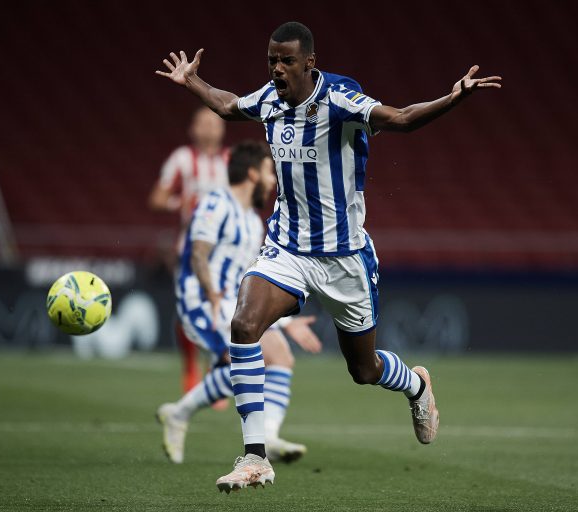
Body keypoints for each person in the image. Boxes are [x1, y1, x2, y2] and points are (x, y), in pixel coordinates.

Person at [156, 21, 502, 493]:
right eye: (272, 60)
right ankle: (255, 456)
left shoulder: (339, 101)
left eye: (286, 61)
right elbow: (228, 104)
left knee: (364, 371)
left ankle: (418, 386)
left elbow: (400, 118)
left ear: (309, 63)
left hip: (344, 258)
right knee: (244, 325)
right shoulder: (270, 100)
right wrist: (192, 80)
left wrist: (454, 96)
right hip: (287, 249)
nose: (277, 69)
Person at [156, 140, 323, 465]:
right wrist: (212, 292)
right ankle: (181, 415)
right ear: (251, 173)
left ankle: (264, 433)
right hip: (203, 302)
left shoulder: (253, 221)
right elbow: (199, 253)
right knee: (247, 365)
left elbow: (251, 281)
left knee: (280, 357)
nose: (273, 180)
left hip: (232, 302)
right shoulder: (214, 204)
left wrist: (285, 322)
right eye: (268, 171)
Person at [148, 107, 229, 394]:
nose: (208, 128)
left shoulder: (232, 162)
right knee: (188, 310)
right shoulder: (182, 158)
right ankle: (190, 366)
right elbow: (157, 198)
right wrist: (179, 203)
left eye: (214, 123)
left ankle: (216, 371)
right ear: (193, 129)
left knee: (223, 310)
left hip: (226, 251)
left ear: (223, 129)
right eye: (202, 123)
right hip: (190, 247)